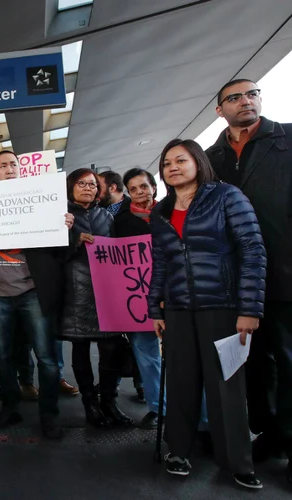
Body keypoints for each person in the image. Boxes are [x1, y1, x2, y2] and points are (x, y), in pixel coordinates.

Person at [149, 138, 266, 489]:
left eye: (180, 160)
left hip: (223, 307)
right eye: (167, 162)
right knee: (182, 382)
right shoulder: (161, 211)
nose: (172, 166)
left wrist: (249, 308)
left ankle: (237, 463)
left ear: (198, 162)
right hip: (180, 310)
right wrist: (155, 306)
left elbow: (252, 250)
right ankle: (179, 451)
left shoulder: (226, 196)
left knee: (226, 386)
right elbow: (160, 264)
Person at [205, 79, 292, 482]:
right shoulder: (210, 158)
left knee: (288, 361)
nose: (247, 101)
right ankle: (271, 434)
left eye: (252, 93)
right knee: (253, 366)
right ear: (220, 110)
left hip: (286, 275)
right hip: (234, 283)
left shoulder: (287, 139)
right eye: (235, 97)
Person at [0, 150, 73, 439]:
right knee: (3, 357)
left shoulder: (40, 200)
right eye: (3, 165)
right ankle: (9, 407)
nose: (10, 168)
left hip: (34, 292)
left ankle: (49, 416)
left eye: (14, 164)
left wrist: (65, 227)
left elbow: (60, 250)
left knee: (46, 359)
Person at [60, 168, 133, 428]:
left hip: (106, 290)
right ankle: (89, 403)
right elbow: (51, 254)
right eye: (82, 183)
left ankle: (109, 401)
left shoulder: (106, 215)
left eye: (92, 184)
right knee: (80, 348)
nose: (88, 188)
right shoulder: (61, 215)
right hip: (75, 290)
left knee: (111, 348)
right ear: (71, 186)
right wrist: (74, 240)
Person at [112, 168, 164, 429]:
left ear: (153, 187)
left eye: (144, 187)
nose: (140, 193)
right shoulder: (119, 222)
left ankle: (191, 408)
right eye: (133, 189)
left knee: (182, 355)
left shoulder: (169, 213)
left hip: (175, 295)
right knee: (147, 355)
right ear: (127, 193)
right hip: (139, 299)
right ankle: (158, 408)